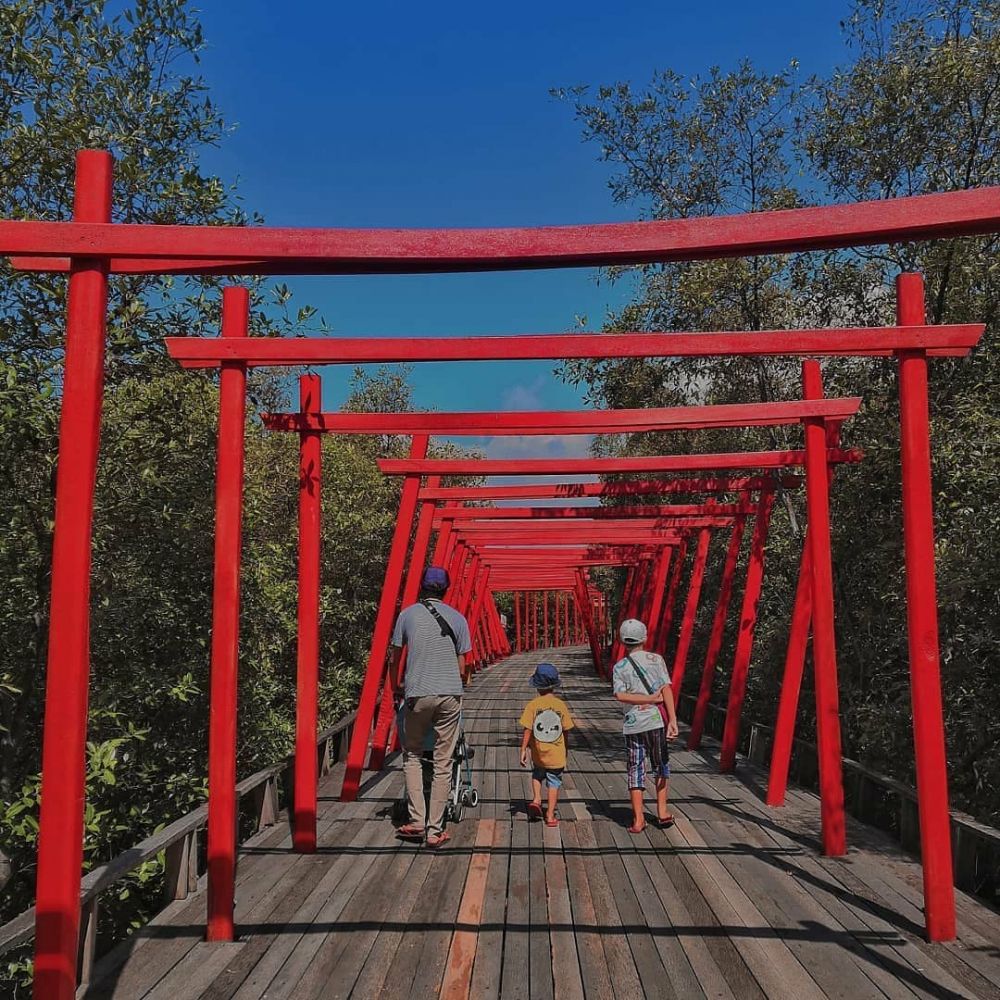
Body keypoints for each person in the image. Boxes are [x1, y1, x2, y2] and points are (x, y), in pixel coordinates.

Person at [390, 566, 472, 849]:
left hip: (417, 693)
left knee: (412, 754)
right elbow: (463, 667)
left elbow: (395, 655)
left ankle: (416, 821)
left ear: (422, 588)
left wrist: (395, 685)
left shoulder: (407, 615)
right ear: (445, 590)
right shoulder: (458, 619)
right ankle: (435, 830)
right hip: (450, 694)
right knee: (443, 761)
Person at [611, 618, 679, 834]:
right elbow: (666, 689)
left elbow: (620, 695)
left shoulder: (619, 666)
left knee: (635, 769)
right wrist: (673, 719)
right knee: (661, 764)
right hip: (655, 722)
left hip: (632, 725)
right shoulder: (656, 659)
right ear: (645, 637)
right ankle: (662, 812)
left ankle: (638, 819)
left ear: (622, 640)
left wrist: (644, 698)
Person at [518, 662, 574, 827]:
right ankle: (550, 815)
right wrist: (566, 748)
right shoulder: (560, 705)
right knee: (554, 781)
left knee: (537, 775)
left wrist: (523, 749)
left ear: (537, 686)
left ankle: (536, 799)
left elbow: (527, 729)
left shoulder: (532, 706)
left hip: (539, 754)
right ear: (554, 686)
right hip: (556, 754)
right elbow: (566, 730)